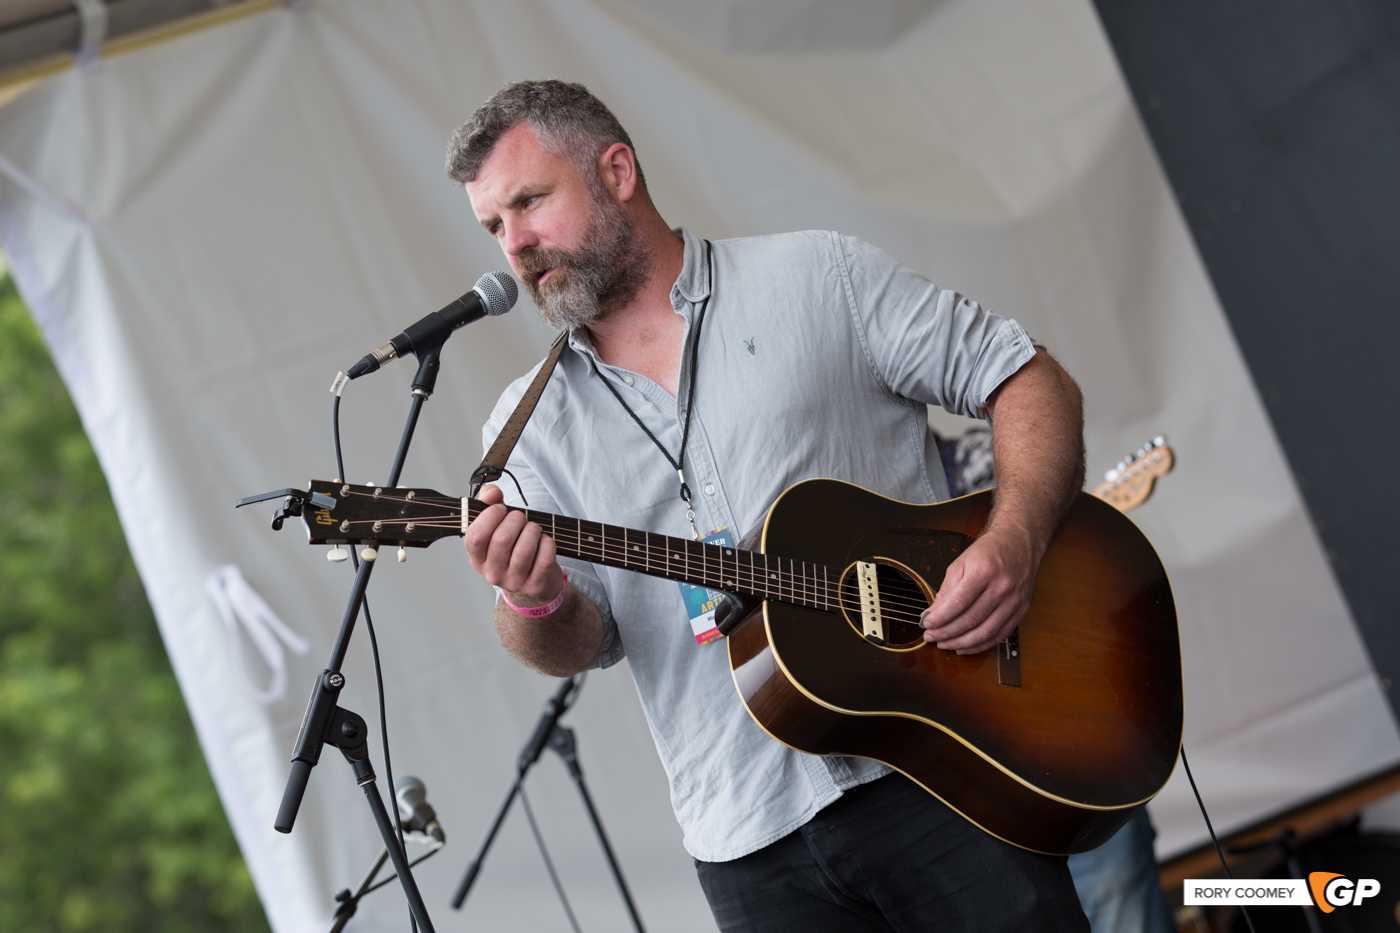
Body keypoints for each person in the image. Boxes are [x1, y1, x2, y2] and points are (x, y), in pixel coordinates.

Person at [452, 79, 1090, 933]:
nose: (517, 244)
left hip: (948, 767)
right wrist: (533, 600)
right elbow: (585, 639)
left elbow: (1025, 378)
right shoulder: (523, 429)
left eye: (530, 202)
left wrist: (1015, 542)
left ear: (617, 170)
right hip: (751, 841)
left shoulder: (816, 275)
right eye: (495, 226)